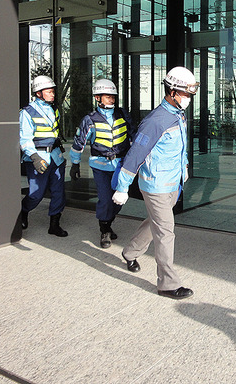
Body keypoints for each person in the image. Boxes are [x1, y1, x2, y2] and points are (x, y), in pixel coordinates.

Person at [112, 66, 198, 300]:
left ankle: (130, 253)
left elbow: (178, 147)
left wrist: (185, 167)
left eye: (191, 94)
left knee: (155, 224)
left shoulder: (177, 115)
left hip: (172, 183)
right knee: (165, 232)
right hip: (156, 185)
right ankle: (168, 284)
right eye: (186, 94)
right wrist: (122, 187)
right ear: (171, 91)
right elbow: (135, 154)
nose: (188, 98)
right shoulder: (155, 120)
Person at [69, 79, 134, 248]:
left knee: (119, 200)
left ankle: (108, 221)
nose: (111, 100)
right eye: (107, 97)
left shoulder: (123, 114)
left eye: (113, 97)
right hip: (101, 166)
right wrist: (75, 164)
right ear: (97, 98)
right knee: (105, 199)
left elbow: (134, 136)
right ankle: (104, 230)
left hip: (121, 165)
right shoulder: (89, 120)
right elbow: (78, 143)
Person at [19, 75, 68, 237]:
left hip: (55, 157)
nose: (52, 94)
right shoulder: (27, 113)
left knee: (58, 192)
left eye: (53, 91)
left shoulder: (54, 110)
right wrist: (34, 157)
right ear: (38, 93)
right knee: (36, 194)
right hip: (38, 159)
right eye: (49, 91)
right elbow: (24, 139)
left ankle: (54, 224)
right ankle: (23, 210)